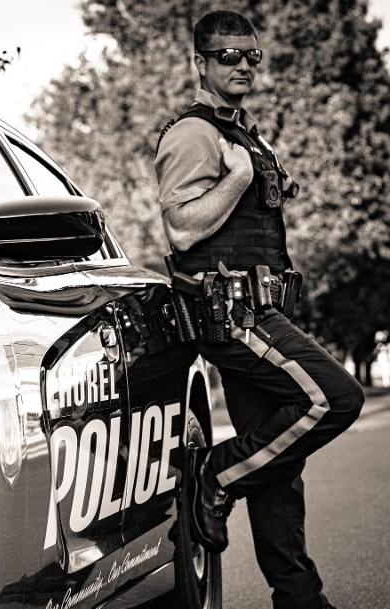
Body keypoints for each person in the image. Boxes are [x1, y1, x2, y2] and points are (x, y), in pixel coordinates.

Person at [154, 10, 364, 609]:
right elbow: (181, 228)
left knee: (277, 467)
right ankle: (215, 475)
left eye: (252, 55)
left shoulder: (245, 133)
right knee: (334, 399)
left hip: (258, 312)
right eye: (228, 55)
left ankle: (299, 598)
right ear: (200, 63)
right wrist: (238, 178)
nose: (243, 64)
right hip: (231, 318)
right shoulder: (193, 135)